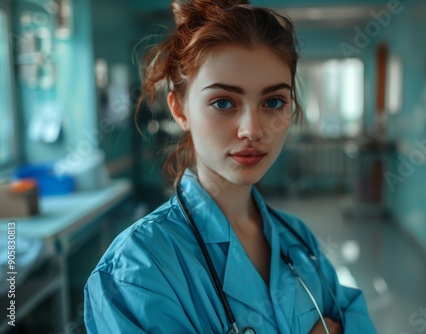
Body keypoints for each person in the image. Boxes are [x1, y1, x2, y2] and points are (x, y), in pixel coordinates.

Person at [84, 0, 377, 333]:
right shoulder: (137, 271)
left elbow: (351, 314)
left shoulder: (295, 237)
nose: (252, 129)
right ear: (180, 110)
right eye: (223, 102)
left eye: (273, 102)